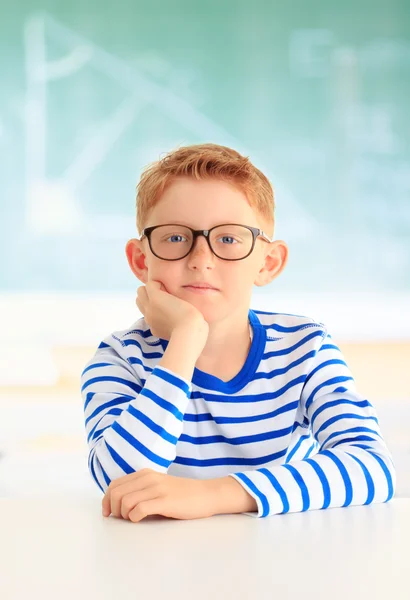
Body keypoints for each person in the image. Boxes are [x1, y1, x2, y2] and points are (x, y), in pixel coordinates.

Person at [81, 143, 396, 523]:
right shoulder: (120, 359)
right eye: (175, 238)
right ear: (140, 260)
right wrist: (185, 338)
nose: (201, 260)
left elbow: (371, 466)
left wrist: (213, 495)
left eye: (228, 239)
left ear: (268, 263)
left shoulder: (305, 348)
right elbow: (120, 483)